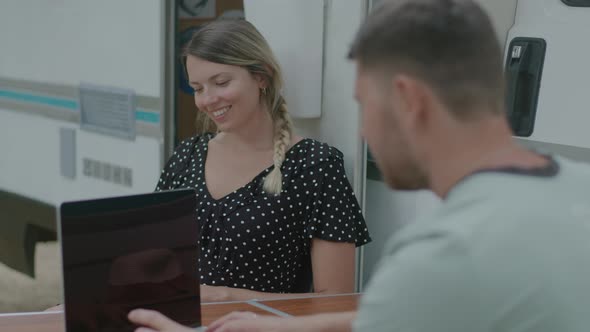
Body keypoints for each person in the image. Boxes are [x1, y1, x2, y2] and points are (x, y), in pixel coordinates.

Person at [128, 0, 590, 331]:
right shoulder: (579, 191)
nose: (364, 132)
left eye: (364, 104)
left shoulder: (441, 254)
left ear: (408, 100)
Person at [155, 19, 371, 303]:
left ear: (262, 76)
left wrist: (224, 296)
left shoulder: (315, 166)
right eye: (198, 88)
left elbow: (336, 300)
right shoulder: (186, 156)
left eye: (221, 82)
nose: (208, 99)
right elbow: (156, 262)